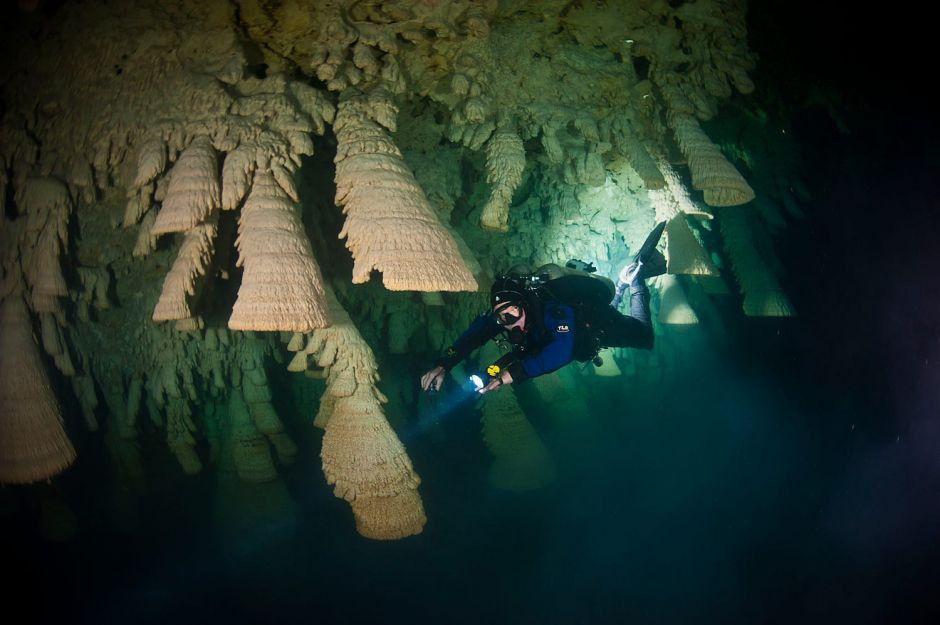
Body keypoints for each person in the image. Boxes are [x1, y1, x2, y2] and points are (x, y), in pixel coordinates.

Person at [420, 234, 667, 395]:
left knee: (645, 338)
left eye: (513, 313)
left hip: (595, 323)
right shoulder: (505, 316)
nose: (509, 323)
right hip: (576, 329)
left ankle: (633, 281)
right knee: (514, 345)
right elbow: (473, 335)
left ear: (524, 304)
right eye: (502, 318)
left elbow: (561, 351)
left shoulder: (553, 310)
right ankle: (622, 286)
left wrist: (511, 375)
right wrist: (444, 364)